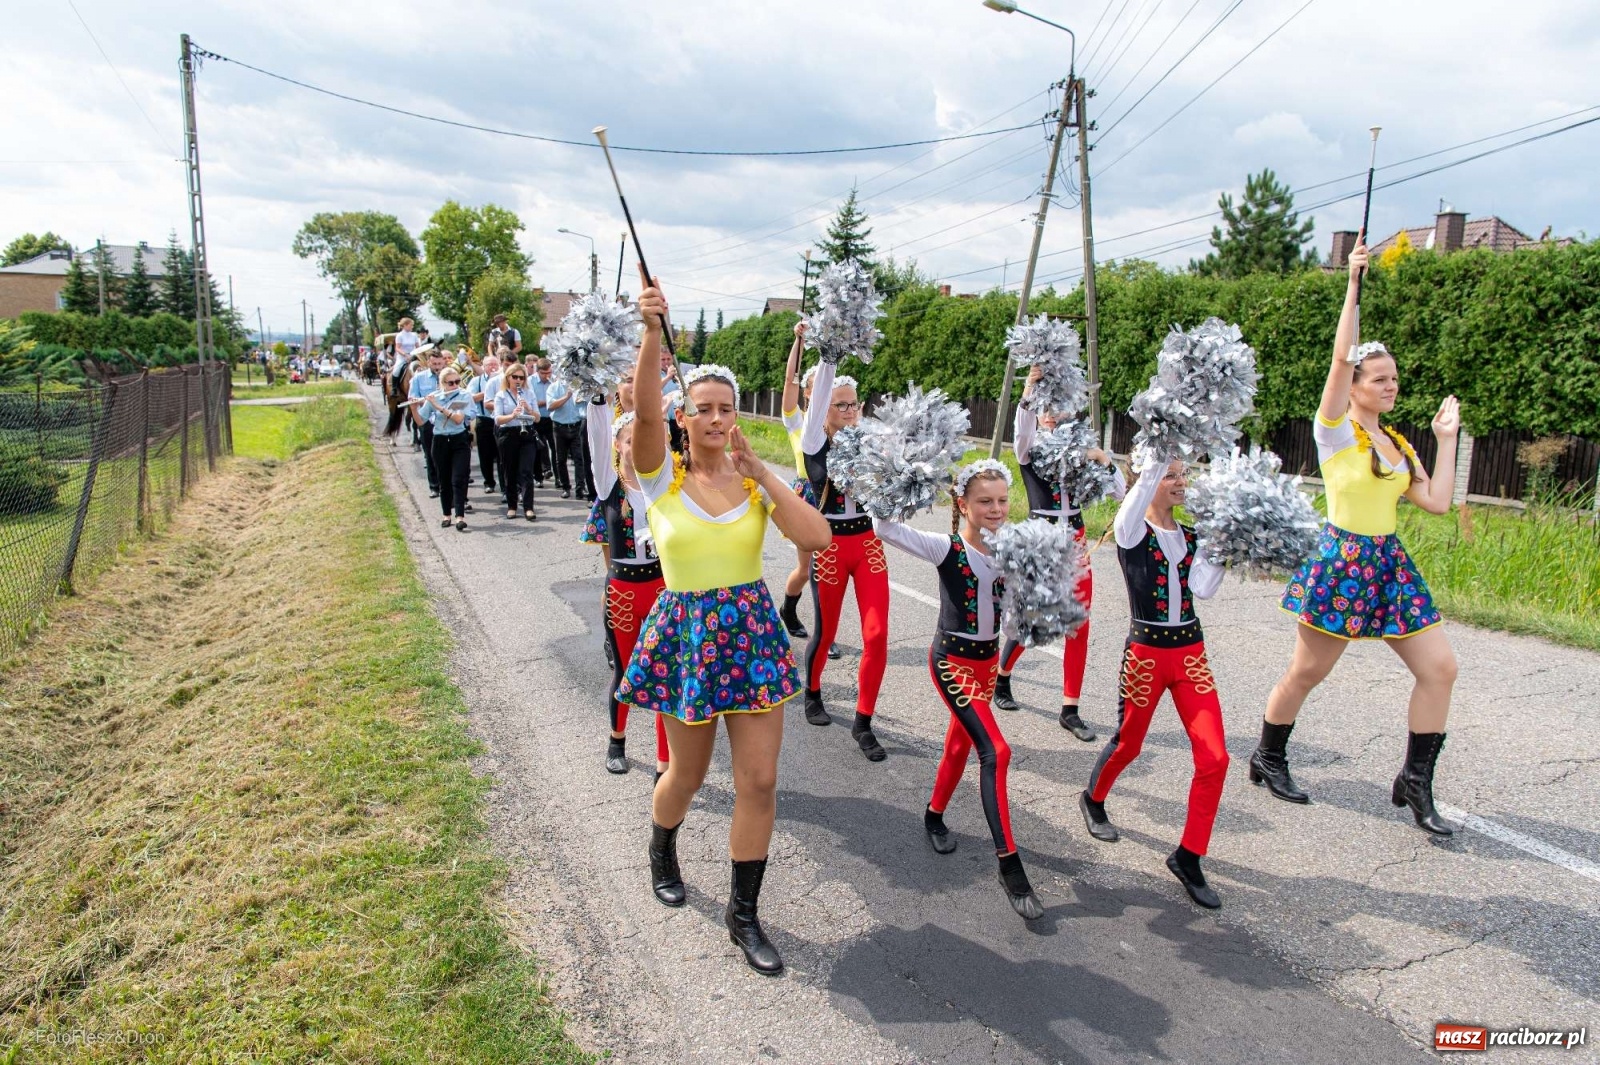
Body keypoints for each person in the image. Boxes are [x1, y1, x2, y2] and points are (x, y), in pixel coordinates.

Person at [620, 276, 831, 975]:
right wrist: (654, 333)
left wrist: (763, 472)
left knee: (761, 780)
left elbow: (819, 536)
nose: (713, 418)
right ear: (684, 417)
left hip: (751, 636)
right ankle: (662, 844)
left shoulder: (752, 480)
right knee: (685, 771)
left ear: (737, 416)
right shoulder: (659, 479)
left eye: (725, 409)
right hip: (687, 638)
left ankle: (744, 916)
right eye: (701, 409)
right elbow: (645, 416)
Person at [1262, 236, 1461, 836]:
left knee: (1440, 669)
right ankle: (1268, 755)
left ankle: (1415, 782)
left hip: (1389, 565)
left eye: (1394, 378)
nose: (1389, 385)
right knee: (1307, 672)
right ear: (1354, 387)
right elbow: (1339, 357)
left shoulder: (1397, 444)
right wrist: (1353, 284)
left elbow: (1437, 502)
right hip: (1342, 561)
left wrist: (1446, 439)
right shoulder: (1335, 432)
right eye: (1378, 378)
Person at [874, 460, 1045, 921]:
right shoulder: (942, 547)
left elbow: (1010, 625)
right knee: (997, 750)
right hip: (950, 662)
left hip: (988, 665)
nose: (996, 509)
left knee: (958, 746)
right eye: (985, 501)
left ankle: (933, 814)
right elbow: (883, 526)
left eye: (1003, 500)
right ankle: (1009, 865)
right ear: (962, 504)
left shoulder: (1011, 552)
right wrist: (907, 475)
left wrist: (1033, 602)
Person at [1082, 453, 1230, 908]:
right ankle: (1093, 798)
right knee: (1129, 743)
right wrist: (1157, 453)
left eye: (1184, 474)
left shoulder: (1191, 535)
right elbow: (1133, 501)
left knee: (1216, 758)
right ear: (1149, 480)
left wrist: (1226, 542)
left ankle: (1189, 856)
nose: (1181, 482)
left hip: (1190, 654)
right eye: (1171, 475)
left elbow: (1203, 589)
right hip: (1146, 655)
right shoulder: (1131, 530)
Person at [992, 367, 1126, 741]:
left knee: (1078, 623)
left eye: (1059, 406)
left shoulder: (1084, 449)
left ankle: (1070, 708)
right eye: (1044, 406)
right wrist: (1028, 387)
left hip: (1077, 540)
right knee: (1032, 618)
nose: (1051, 412)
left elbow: (1122, 493)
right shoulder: (1030, 448)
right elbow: (1020, 432)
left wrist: (1102, 458)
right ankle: (1001, 678)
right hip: (1040, 539)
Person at [799, 359, 890, 761]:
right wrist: (828, 358)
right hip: (831, 545)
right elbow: (816, 405)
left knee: (876, 634)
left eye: (854, 405)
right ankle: (812, 690)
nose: (850, 412)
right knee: (826, 630)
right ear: (824, 410)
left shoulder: (872, 443)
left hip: (868, 543)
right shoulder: (814, 443)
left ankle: (863, 721)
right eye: (841, 405)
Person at [587, 394, 670, 779]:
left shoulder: (663, 486)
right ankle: (616, 740)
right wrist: (598, 403)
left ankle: (664, 760)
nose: (637, 445)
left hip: (659, 589)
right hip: (622, 591)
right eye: (629, 439)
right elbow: (596, 436)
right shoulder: (609, 485)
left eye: (644, 437)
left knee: (663, 672)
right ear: (618, 445)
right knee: (625, 671)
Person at [776, 323, 814, 641]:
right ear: (808, 393)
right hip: (807, 498)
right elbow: (789, 381)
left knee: (831, 572)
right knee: (808, 569)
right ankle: (788, 610)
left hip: (835, 499)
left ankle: (824, 634)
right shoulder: (797, 421)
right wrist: (798, 342)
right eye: (814, 389)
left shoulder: (840, 425)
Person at [425, 367, 474, 531]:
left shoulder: (464, 395)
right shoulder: (435, 397)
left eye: (457, 382)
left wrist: (438, 407)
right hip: (439, 441)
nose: (455, 385)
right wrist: (414, 406)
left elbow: (459, 419)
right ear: (443, 384)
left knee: (459, 478)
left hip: (459, 440)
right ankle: (446, 514)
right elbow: (420, 420)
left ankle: (460, 516)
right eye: (451, 383)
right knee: (444, 480)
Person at [493, 363, 542, 520]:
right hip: (508, 434)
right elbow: (498, 419)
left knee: (526, 471)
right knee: (510, 470)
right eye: (515, 377)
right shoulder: (501, 395)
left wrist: (528, 409)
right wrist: (512, 416)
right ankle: (512, 506)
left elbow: (538, 417)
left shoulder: (529, 393)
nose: (518, 380)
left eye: (522, 377)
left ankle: (528, 507)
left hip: (526, 433)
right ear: (508, 378)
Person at [406, 346, 446, 495]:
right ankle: (434, 486)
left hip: (444, 419)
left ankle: (445, 485)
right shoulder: (418, 378)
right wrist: (425, 402)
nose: (437, 367)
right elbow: (413, 397)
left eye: (439, 364)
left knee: (445, 454)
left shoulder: (447, 377)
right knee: (429, 453)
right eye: (434, 364)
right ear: (428, 363)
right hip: (427, 418)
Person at [546, 372, 590, 500]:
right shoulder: (554, 387)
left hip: (576, 426)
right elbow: (550, 406)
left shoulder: (579, 386)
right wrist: (566, 396)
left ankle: (580, 488)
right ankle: (565, 487)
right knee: (561, 459)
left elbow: (585, 404)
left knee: (579, 459)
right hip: (560, 427)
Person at [467, 354, 501, 495]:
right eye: (489, 365)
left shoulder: (503, 380)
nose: (493, 367)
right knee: (485, 454)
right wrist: (487, 392)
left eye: (495, 364)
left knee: (501, 454)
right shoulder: (477, 381)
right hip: (484, 420)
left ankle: (505, 485)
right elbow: (470, 398)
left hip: (500, 419)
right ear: (483, 367)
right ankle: (489, 482)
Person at [530, 358, 556, 485]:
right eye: (544, 373)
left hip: (551, 418)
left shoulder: (554, 381)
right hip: (536, 419)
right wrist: (549, 402)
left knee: (555, 447)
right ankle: (538, 477)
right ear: (537, 371)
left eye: (549, 373)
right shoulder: (530, 382)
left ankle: (558, 477)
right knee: (538, 447)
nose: (547, 376)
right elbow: (532, 402)